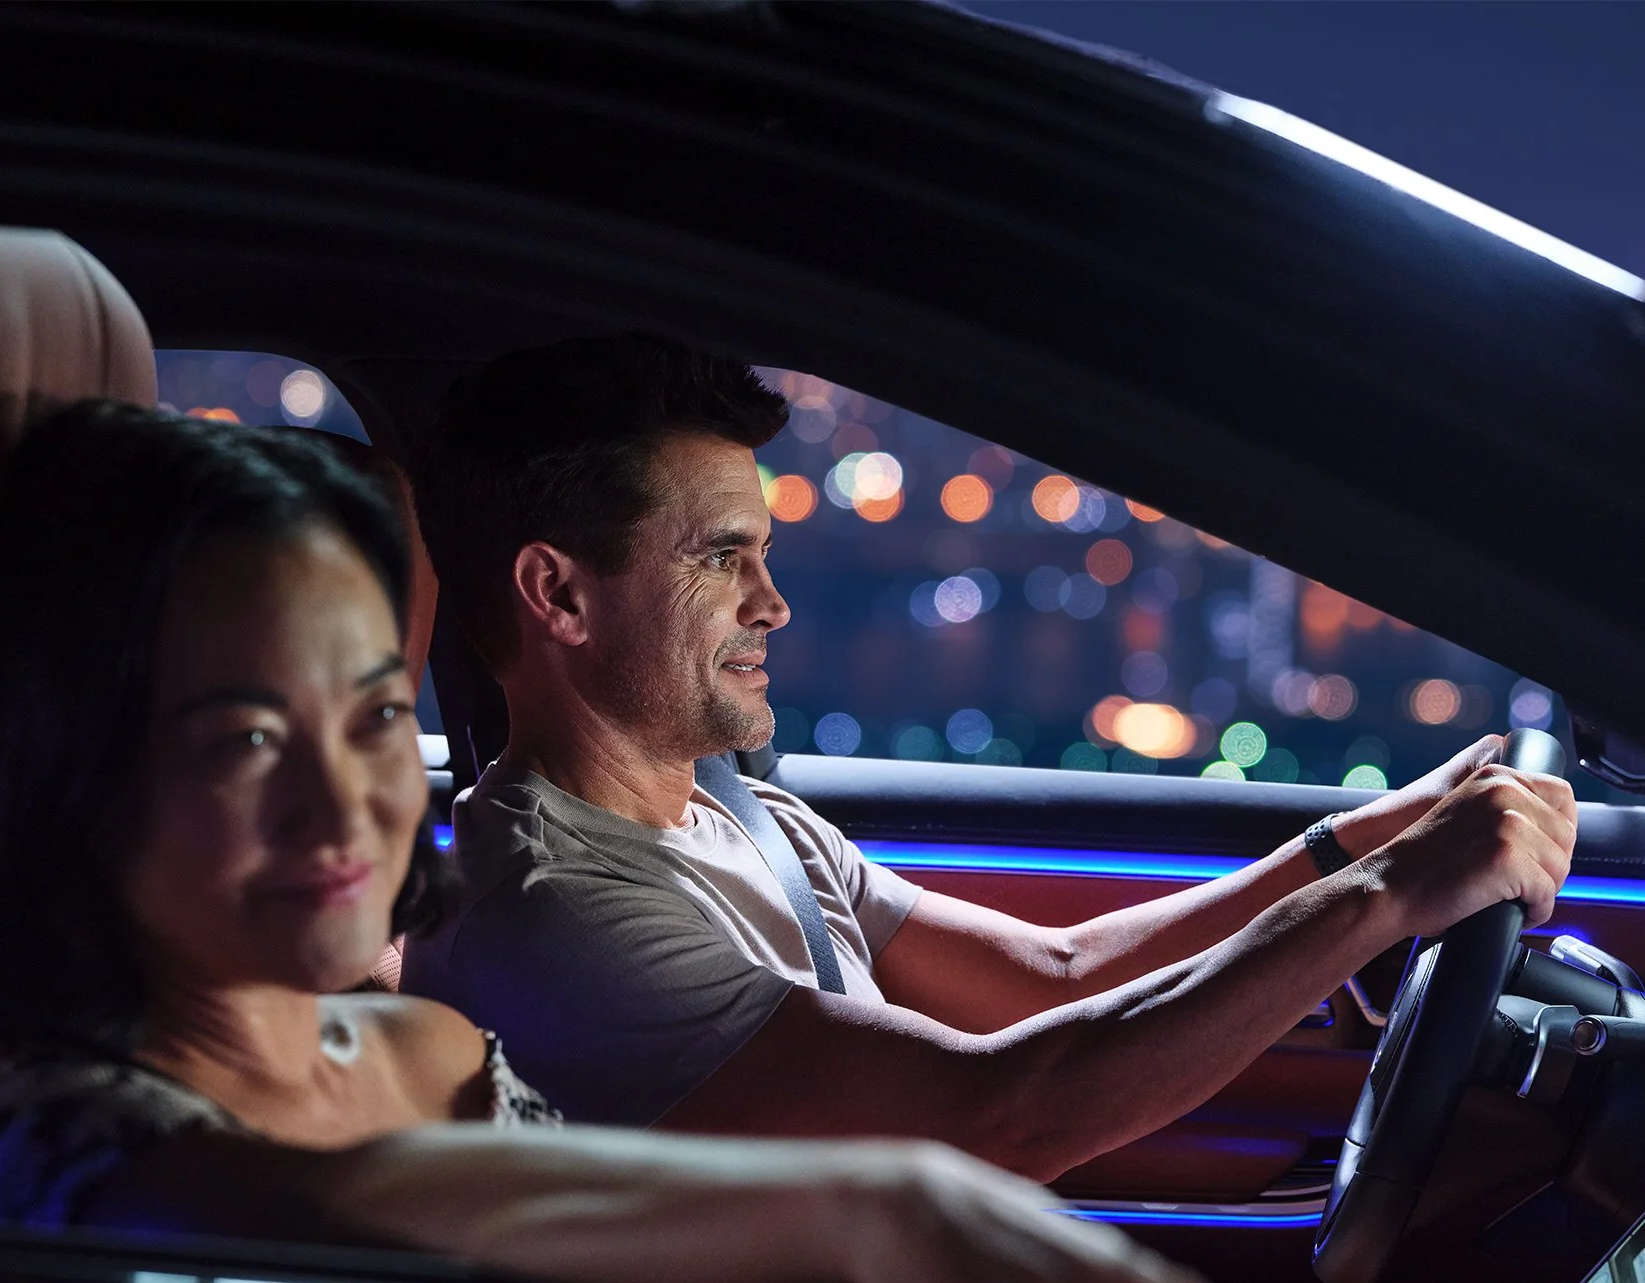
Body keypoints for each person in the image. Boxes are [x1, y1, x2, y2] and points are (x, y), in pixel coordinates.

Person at [0, 399, 1337, 1283]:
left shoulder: (417, 1047)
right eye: (241, 739)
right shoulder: (51, 1133)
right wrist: (878, 1205)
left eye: (368, 720)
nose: (341, 806)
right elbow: (277, 1209)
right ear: (75, 765)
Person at [402, 335, 1578, 1178]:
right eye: (720, 558)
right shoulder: (556, 919)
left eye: (761, 553)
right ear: (558, 593)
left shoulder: (725, 814)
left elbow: (1056, 976)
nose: (771, 604)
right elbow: (998, 1115)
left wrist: (1358, 841)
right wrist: (1381, 899)